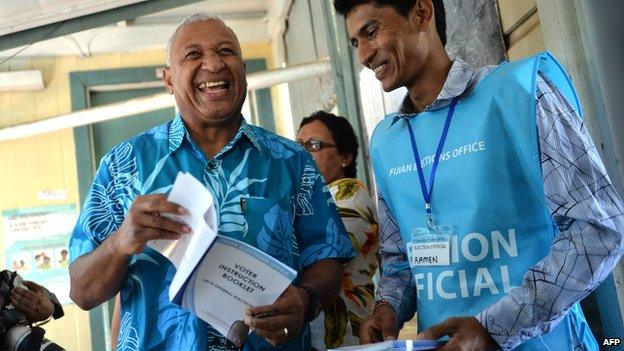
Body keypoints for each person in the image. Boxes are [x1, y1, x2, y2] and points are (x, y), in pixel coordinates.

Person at [334, 0, 624, 350]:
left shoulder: (519, 93)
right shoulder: (386, 142)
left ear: (422, 14)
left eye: (371, 31)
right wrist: (387, 308)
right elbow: (401, 261)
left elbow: (599, 229)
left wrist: (495, 327)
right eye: (355, 42)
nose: (364, 54)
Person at [69, 13, 354, 351]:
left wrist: (305, 300)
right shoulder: (122, 166)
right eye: (193, 54)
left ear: (244, 71)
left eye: (226, 51)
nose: (214, 64)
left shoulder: (291, 161)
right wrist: (121, 242)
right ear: (169, 80)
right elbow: (82, 292)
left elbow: (328, 259)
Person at [297, 111, 379, 350]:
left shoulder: (351, 197)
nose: (302, 153)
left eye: (313, 145)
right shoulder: (314, 200)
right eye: (299, 145)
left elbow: (315, 250)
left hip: (349, 337)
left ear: (345, 156)